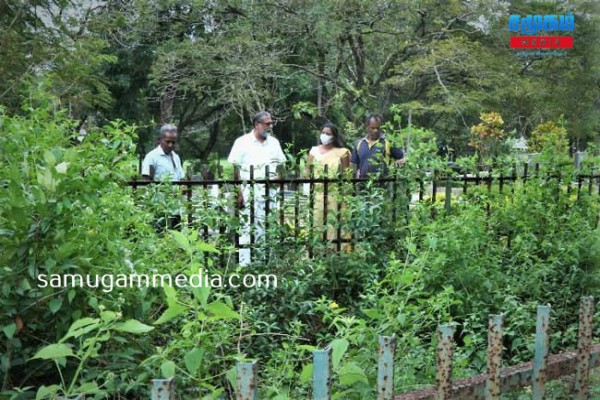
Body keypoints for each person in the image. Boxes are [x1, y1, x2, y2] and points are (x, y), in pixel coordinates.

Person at [227, 111, 286, 266]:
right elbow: (234, 169)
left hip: (270, 193)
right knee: (248, 228)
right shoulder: (242, 142)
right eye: (267, 124)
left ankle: (268, 263)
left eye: (271, 123)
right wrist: (238, 193)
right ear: (257, 125)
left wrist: (279, 179)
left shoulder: (274, 143)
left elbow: (281, 167)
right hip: (249, 193)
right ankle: (246, 265)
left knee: (269, 227)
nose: (270, 126)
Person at [306, 123, 351, 250]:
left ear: (334, 136)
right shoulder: (314, 151)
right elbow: (307, 172)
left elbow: (346, 175)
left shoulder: (342, 152)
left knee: (334, 223)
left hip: (335, 194)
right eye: (323, 132)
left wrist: (345, 195)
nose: (324, 135)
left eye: (328, 133)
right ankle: (317, 252)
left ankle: (335, 252)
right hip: (317, 194)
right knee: (317, 222)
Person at [141, 124, 185, 230]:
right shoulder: (152, 157)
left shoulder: (176, 157)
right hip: (159, 206)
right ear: (159, 140)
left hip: (175, 206)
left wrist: (182, 189)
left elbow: (181, 178)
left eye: (173, 142)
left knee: (177, 237)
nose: (170, 145)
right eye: (167, 141)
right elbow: (147, 182)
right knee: (160, 235)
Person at [350, 114, 404, 178]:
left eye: (378, 128)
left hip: (381, 185)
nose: (376, 130)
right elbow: (353, 165)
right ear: (367, 127)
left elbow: (402, 157)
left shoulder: (386, 142)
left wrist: (395, 169)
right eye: (373, 128)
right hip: (362, 184)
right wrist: (355, 175)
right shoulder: (359, 143)